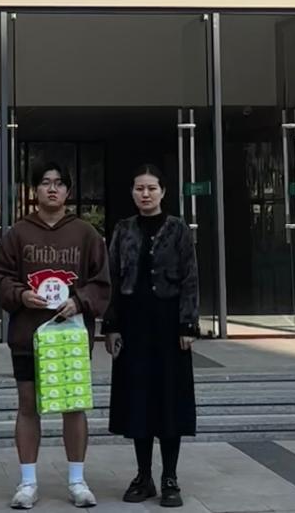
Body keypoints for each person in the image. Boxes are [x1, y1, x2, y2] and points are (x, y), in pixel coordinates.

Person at [0, 161, 110, 511]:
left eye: (59, 183)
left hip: (70, 337)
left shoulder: (85, 234)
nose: (52, 188)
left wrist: (80, 301)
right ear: (35, 191)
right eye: (45, 183)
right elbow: (0, 276)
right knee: (28, 405)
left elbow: (102, 282)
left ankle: (77, 480)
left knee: (73, 406)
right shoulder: (18, 233)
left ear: (68, 191)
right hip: (29, 335)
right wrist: (20, 295)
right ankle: (28, 482)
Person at [105, 165, 198, 509]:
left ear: (163, 192)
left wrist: (188, 325)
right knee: (138, 400)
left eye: (151, 188)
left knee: (170, 399)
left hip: (169, 324)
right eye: (139, 188)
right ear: (132, 192)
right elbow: (112, 278)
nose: (145, 194)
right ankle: (143, 475)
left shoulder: (178, 229)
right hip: (134, 324)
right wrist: (111, 326)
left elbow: (190, 277)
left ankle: (169, 477)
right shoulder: (123, 229)